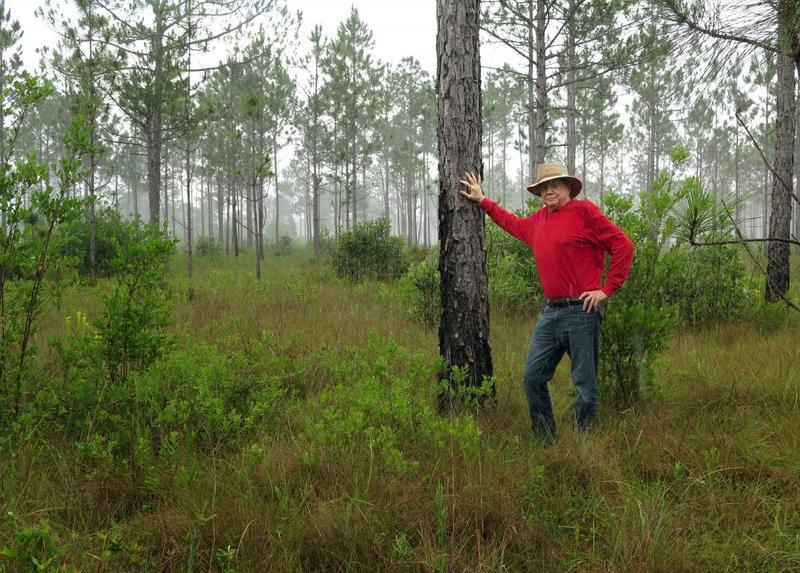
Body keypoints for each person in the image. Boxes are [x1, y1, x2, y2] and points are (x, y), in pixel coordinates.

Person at [459, 163, 634, 441]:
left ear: (568, 189)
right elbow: (511, 223)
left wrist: (607, 290)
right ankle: (545, 441)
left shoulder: (585, 212)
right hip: (551, 313)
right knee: (533, 378)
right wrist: (483, 201)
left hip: (582, 311)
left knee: (585, 385)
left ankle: (581, 444)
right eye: (543, 187)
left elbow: (623, 245)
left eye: (555, 185)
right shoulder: (538, 221)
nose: (549, 190)